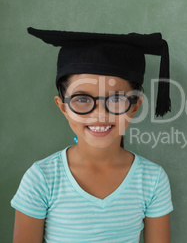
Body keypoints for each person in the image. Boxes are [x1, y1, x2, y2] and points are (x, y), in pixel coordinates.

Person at [11, 27, 173, 243]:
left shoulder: (152, 180)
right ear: (63, 107)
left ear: (134, 107)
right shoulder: (42, 179)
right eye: (82, 99)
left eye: (116, 99)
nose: (100, 114)